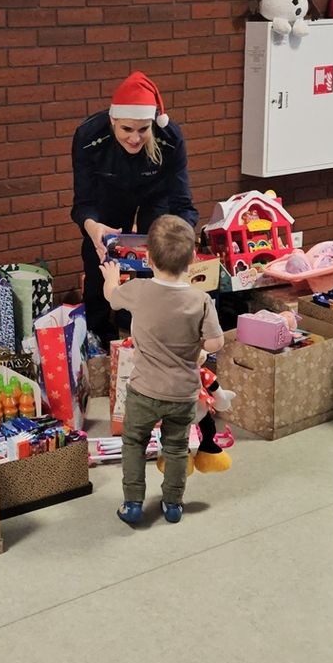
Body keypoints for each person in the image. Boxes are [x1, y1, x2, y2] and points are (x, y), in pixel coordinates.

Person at [100, 215, 224, 526]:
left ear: (149, 258)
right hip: (182, 393)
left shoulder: (140, 290)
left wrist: (111, 278)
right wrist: (201, 348)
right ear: (193, 259)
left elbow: (112, 299)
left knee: (134, 442)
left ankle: (132, 502)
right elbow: (215, 341)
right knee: (176, 445)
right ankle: (173, 503)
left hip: (144, 389)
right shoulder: (201, 300)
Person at [72, 71, 198, 345]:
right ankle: (99, 333)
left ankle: (146, 320)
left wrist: (183, 240)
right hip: (108, 195)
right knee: (99, 257)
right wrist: (93, 228)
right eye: (126, 129)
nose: (135, 138)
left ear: (153, 123)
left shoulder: (169, 137)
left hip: (155, 193)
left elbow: (182, 203)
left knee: (157, 252)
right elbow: (83, 204)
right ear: (112, 120)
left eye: (143, 129)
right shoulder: (88, 137)